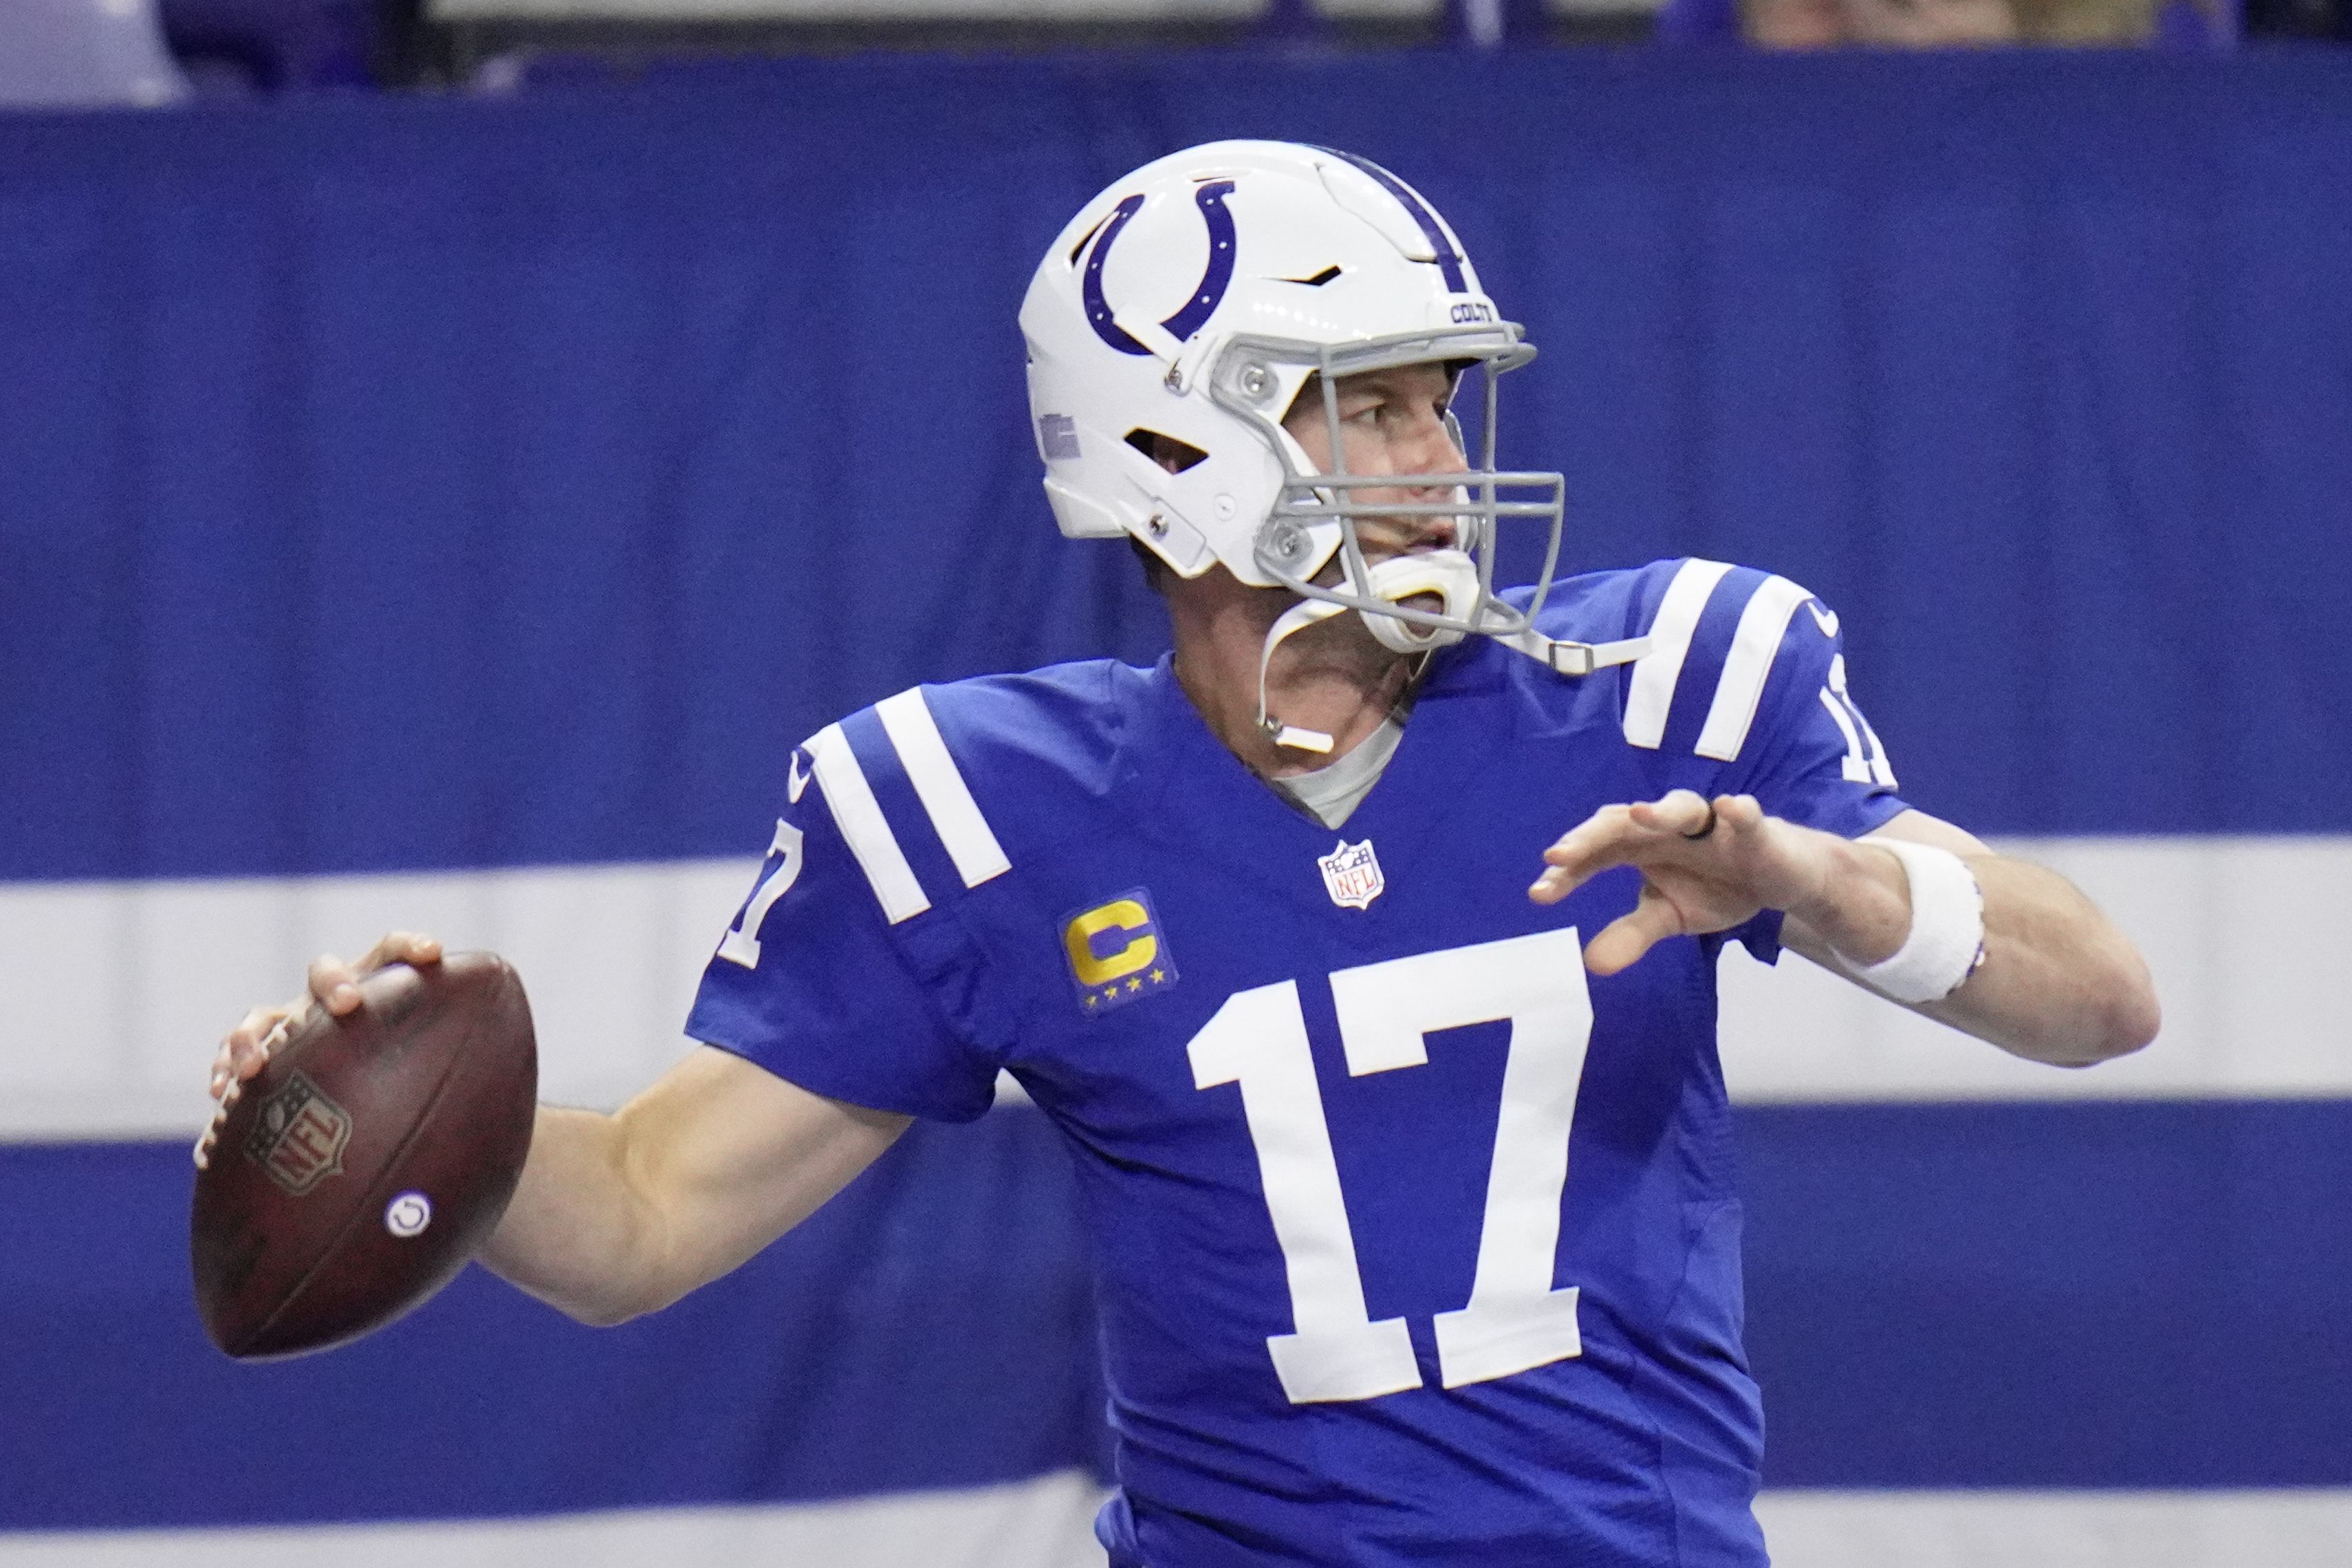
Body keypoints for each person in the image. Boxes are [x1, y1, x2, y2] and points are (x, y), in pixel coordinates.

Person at [210, 141, 2158, 1567]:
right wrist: (402, 1125)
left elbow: (2097, 998)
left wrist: (1828, 885)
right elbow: (640, 1221)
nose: (1434, 460)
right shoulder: (982, 810)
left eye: (1438, 401)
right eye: (1366, 407)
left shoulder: (1658, 688)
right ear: (1168, 448)